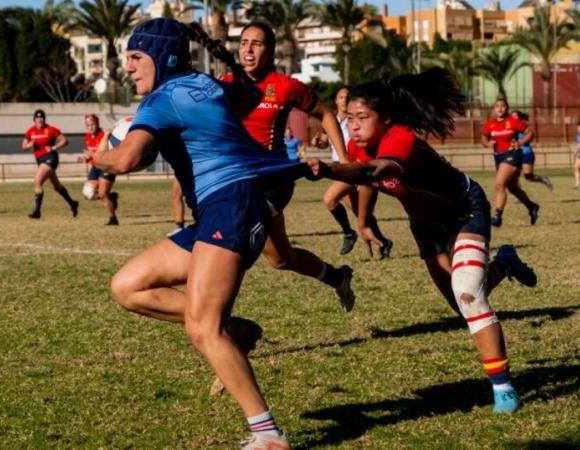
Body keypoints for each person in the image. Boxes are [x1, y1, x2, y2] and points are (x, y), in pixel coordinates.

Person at [94, 19, 329, 449]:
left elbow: (126, 160)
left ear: (161, 57)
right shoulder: (200, 84)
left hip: (231, 206)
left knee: (203, 329)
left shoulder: (162, 98)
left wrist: (99, 157)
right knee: (128, 286)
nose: (127, 67)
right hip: (224, 208)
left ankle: (268, 435)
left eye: (135, 57)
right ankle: (236, 330)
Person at [308, 68, 537, 414]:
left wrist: (328, 170)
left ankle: (502, 386)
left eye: (361, 117)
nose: (352, 125)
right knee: (462, 303)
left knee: (469, 294)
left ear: (385, 119)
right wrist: (364, 220)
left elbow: (373, 172)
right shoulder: (358, 146)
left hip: (464, 210)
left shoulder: (399, 138)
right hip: (424, 225)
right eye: (349, 117)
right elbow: (365, 181)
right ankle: (504, 263)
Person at [221, 22, 354, 314]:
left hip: (273, 180)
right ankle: (337, 277)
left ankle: (221, 322)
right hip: (239, 180)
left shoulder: (284, 86)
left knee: (237, 242)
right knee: (281, 259)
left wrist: (343, 161)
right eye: (244, 43)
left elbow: (326, 114)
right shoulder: (226, 83)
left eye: (256, 44)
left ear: (269, 51)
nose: (248, 49)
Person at [313, 86, 393, 258]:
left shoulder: (357, 118)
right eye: (341, 97)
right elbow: (326, 142)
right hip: (339, 167)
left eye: (347, 97)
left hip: (354, 166)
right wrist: (318, 143)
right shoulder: (332, 120)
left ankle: (349, 233)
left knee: (330, 199)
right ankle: (382, 241)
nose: (344, 99)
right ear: (335, 100)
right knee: (359, 211)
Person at [481, 99, 539, 227]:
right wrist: (487, 143)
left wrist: (520, 143)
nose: (500, 108)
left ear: (507, 108)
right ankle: (532, 206)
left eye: (503, 106)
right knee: (513, 188)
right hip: (498, 157)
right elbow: (484, 138)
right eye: (497, 106)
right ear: (494, 109)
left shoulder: (513, 122)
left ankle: (497, 216)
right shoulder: (490, 124)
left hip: (512, 155)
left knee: (499, 183)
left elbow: (530, 133)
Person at [22, 109, 78, 219]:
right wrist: (28, 145)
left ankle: (37, 212)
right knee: (55, 186)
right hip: (40, 161)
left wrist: (53, 147)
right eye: (38, 117)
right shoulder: (30, 131)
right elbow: (23, 146)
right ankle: (73, 203)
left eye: (42, 117)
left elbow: (65, 141)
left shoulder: (51, 129)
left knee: (37, 182)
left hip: (50, 158)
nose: (40, 119)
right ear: (34, 120)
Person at [77, 114, 119, 225]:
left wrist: (93, 154)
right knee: (88, 193)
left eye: (93, 124)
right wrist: (84, 158)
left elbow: (108, 153)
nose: (90, 127)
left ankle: (113, 219)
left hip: (107, 167)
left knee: (102, 194)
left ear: (97, 124)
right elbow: (91, 155)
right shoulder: (87, 137)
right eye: (88, 125)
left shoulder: (105, 136)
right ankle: (112, 197)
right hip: (95, 168)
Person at [510, 110, 553, 191]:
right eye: (512, 116)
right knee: (514, 175)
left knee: (529, 177)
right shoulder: (510, 128)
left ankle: (542, 178)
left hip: (526, 153)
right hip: (516, 154)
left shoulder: (523, 126)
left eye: (516, 116)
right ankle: (519, 195)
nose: (514, 118)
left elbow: (531, 136)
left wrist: (521, 142)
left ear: (519, 117)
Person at [574, 121, 580, 190]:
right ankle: (577, 184)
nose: (578, 130)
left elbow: (579, 146)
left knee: (576, 167)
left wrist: (575, 153)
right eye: (577, 129)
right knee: (576, 167)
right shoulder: (578, 136)